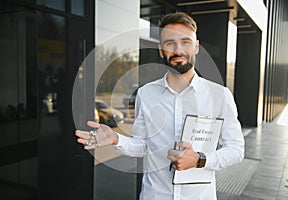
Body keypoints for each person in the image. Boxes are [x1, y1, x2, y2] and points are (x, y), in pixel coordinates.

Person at [75, 12, 244, 200]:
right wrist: (116, 138)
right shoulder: (146, 94)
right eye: (170, 43)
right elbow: (142, 145)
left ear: (196, 47)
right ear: (161, 49)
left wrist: (200, 160)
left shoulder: (219, 96)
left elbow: (236, 149)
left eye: (186, 42)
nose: (178, 49)